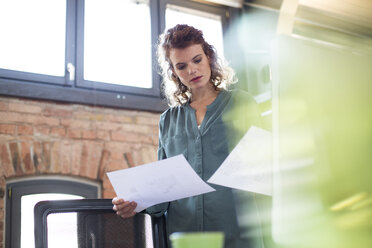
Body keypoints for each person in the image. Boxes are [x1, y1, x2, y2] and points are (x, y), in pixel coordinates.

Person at [113, 24, 264, 247]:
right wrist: (134, 203)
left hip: (237, 238)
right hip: (183, 238)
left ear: (209, 57)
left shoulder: (242, 103)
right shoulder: (168, 120)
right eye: (181, 66)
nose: (192, 70)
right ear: (174, 72)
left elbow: (265, 171)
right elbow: (162, 193)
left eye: (197, 60)